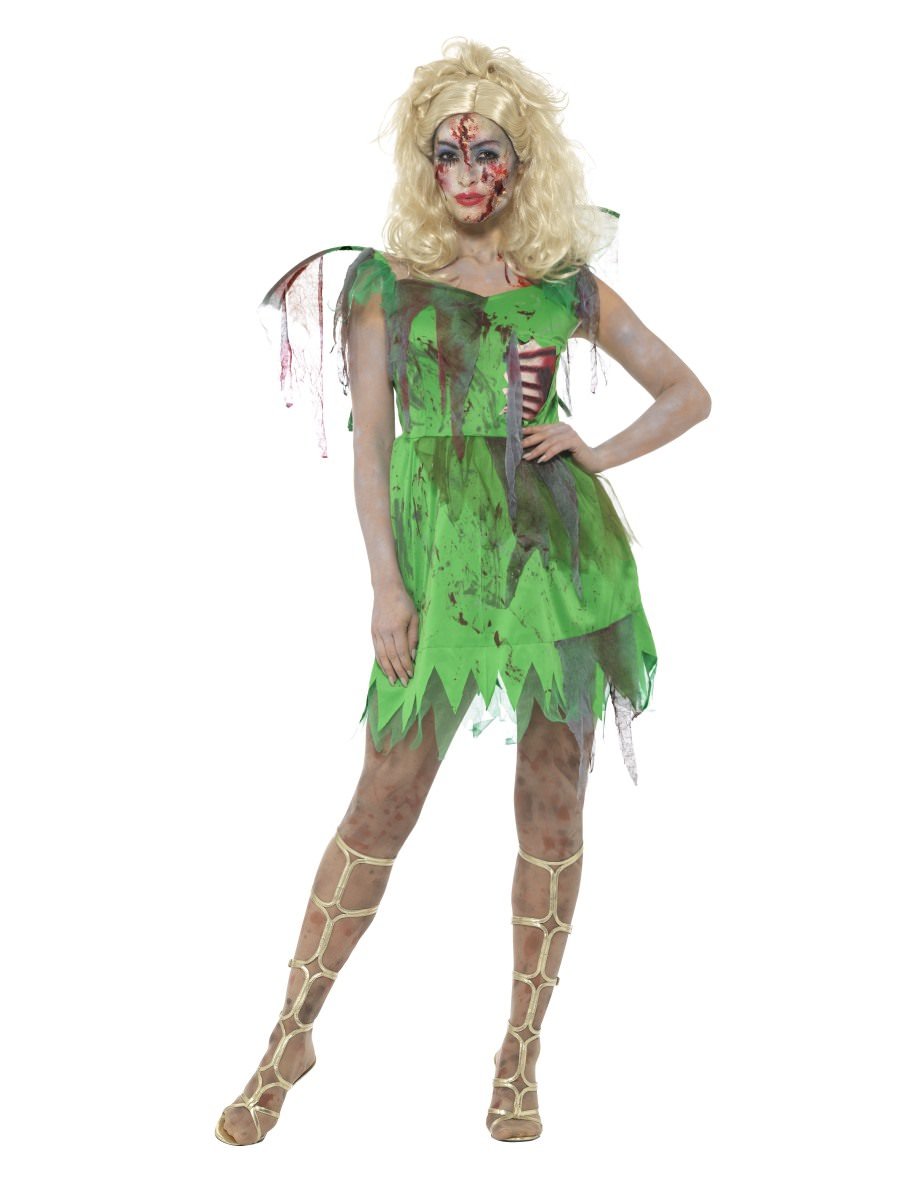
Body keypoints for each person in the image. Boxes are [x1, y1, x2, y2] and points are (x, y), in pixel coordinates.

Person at [215, 37, 711, 1147]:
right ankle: (289, 1036)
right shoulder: (383, 287)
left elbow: (689, 392)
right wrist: (385, 587)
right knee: (384, 795)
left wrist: (594, 449)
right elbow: (372, 451)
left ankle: (520, 1053)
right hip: (441, 569)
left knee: (554, 796)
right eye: (448, 152)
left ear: (521, 164)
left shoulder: (565, 287)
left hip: (558, 565)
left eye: (488, 151)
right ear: (425, 164)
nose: (468, 170)